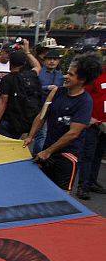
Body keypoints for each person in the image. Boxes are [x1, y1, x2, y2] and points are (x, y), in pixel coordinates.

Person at [23, 54, 101, 194]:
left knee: (62, 196)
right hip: (47, 151)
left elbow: (73, 133)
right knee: (40, 190)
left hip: (67, 156)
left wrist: (48, 151)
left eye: (70, 74)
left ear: (82, 80)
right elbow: (42, 115)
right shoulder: (56, 91)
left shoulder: (85, 102)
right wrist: (30, 137)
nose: (66, 76)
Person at [0, 50, 42, 139]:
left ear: (10, 62)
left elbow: (3, 102)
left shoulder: (7, 79)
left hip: (12, 121)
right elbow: (37, 66)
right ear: (24, 63)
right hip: (29, 119)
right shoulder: (31, 75)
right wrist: (27, 51)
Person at [77, 56, 106, 199]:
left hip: (105, 125)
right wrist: (88, 117)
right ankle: (83, 186)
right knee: (88, 154)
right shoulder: (98, 75)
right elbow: (84, 95)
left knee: (98, 154)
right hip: (92, 123)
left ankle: (92, 181)